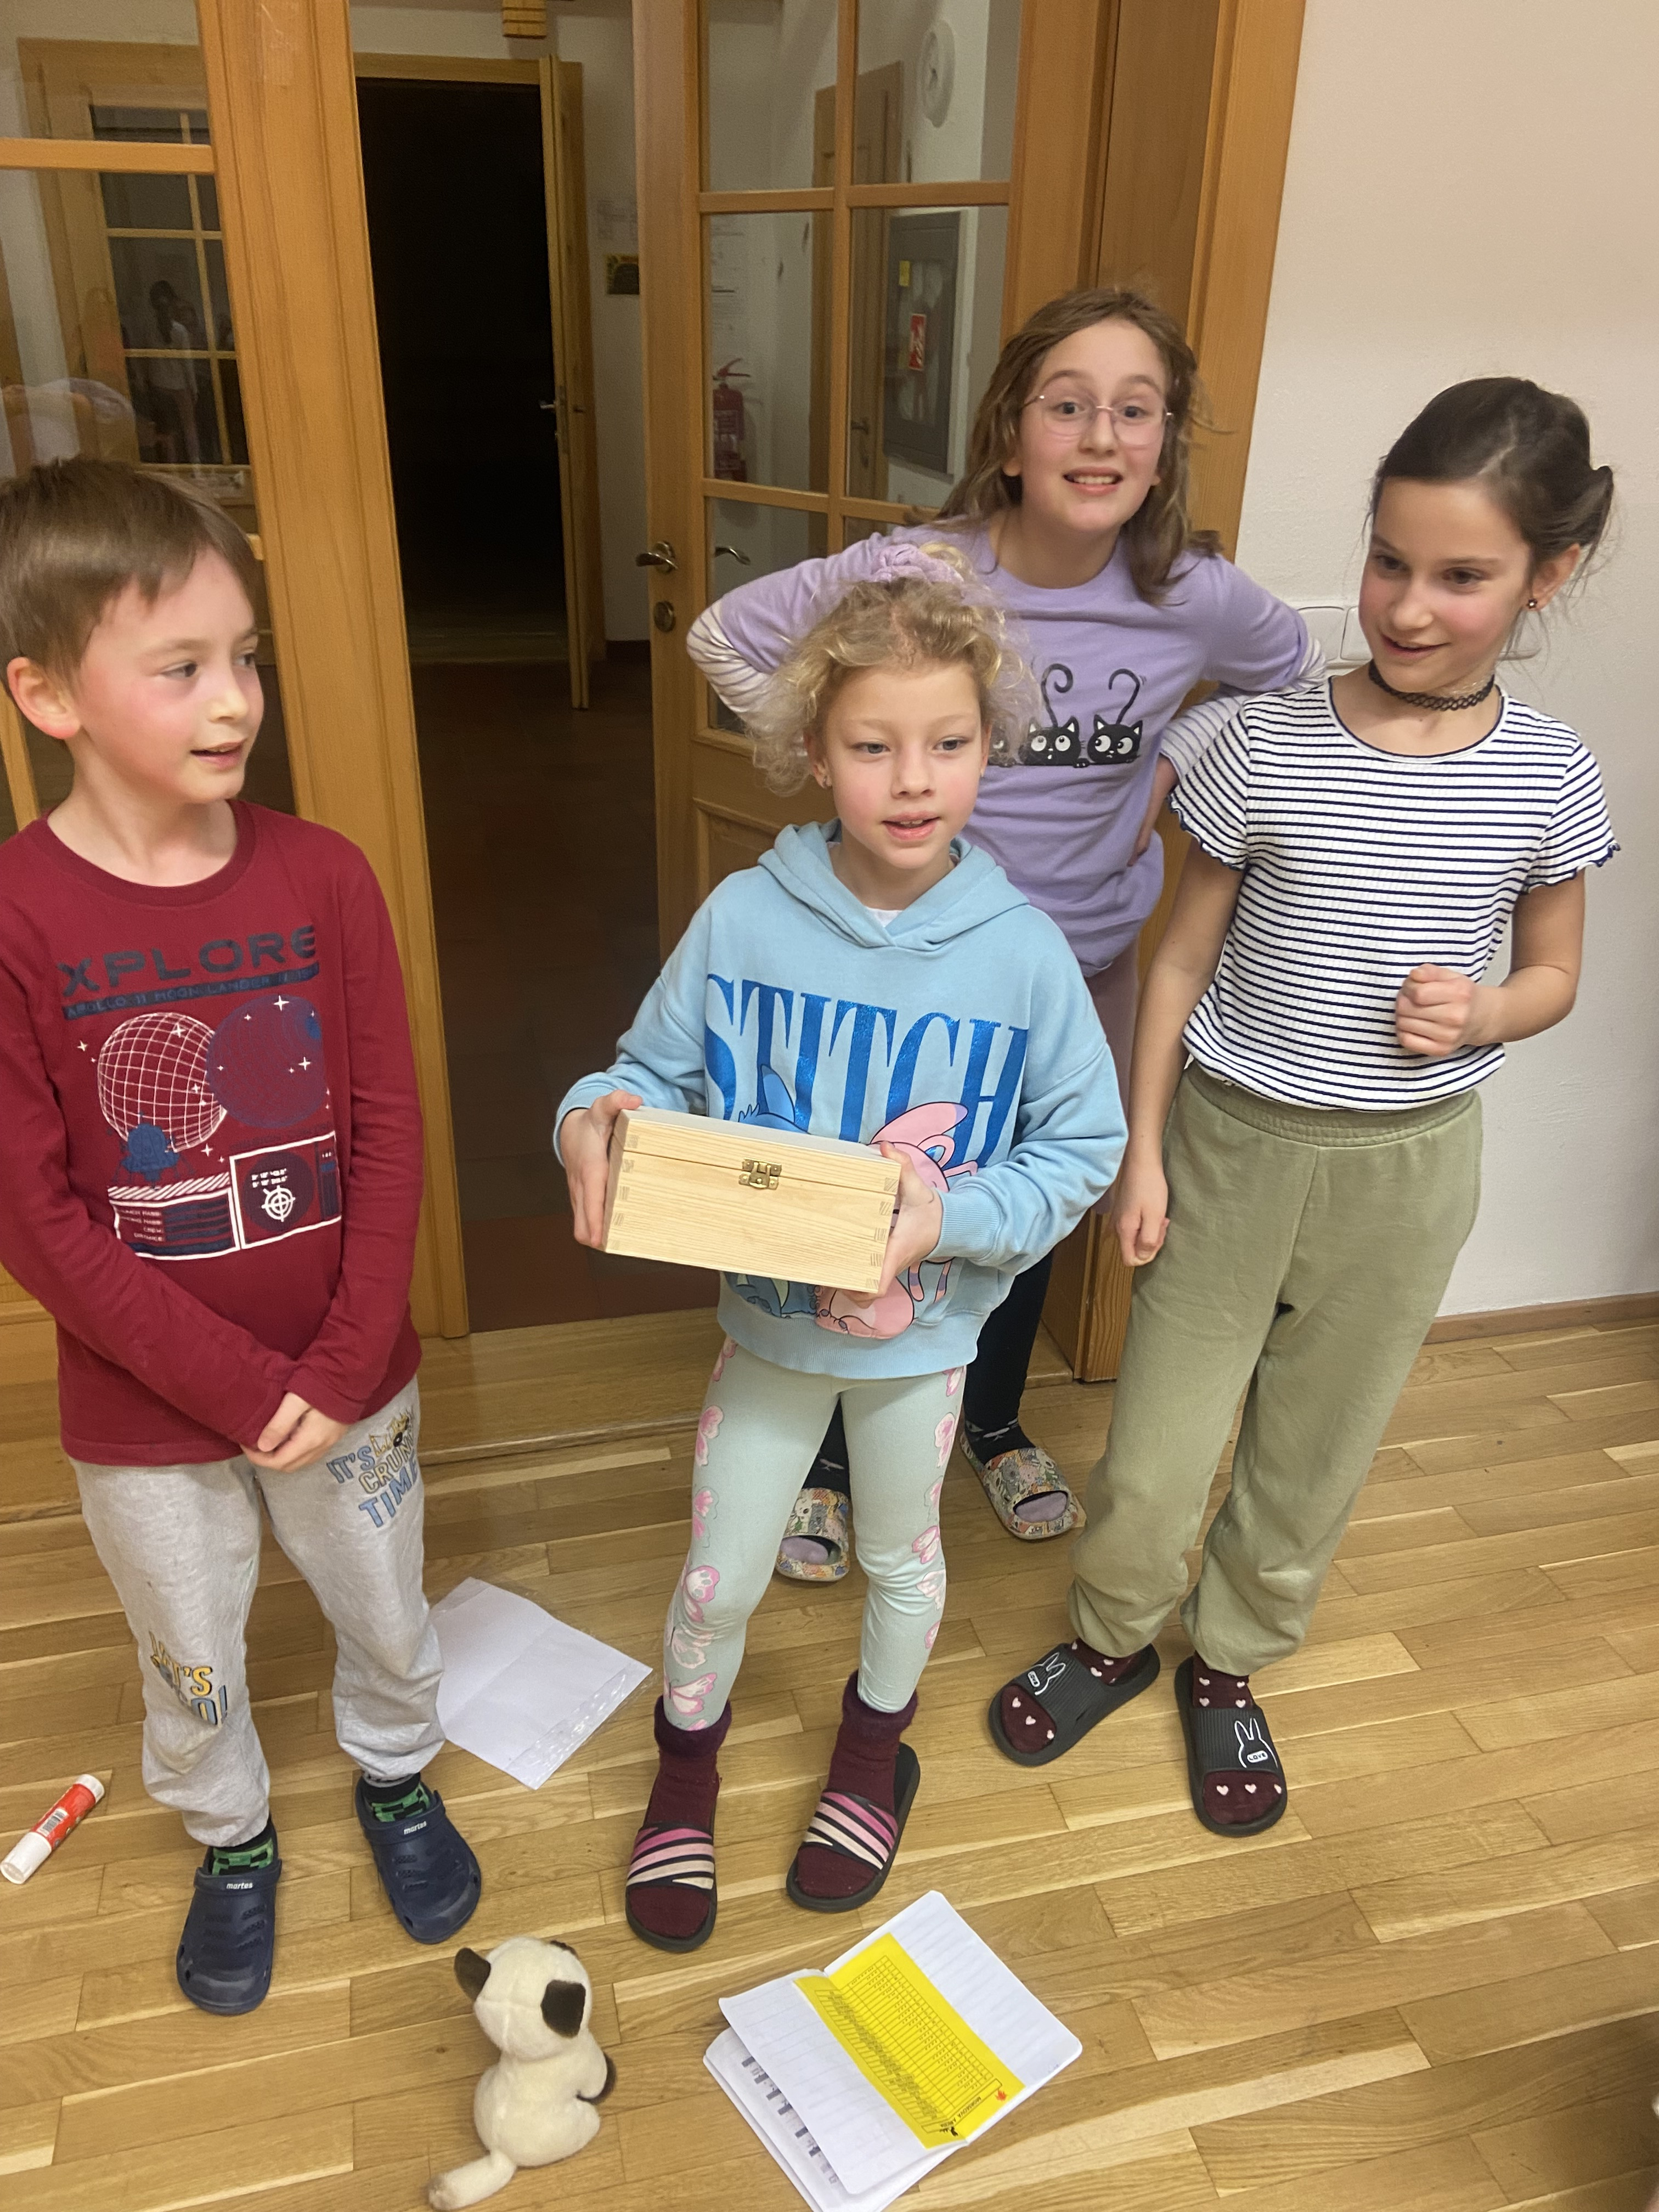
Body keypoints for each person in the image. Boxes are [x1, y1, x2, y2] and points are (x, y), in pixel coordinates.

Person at [989, 377, 1618, 1835]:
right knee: (1158, 1442)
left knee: (1318, 1441)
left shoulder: (1549, 775)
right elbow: (1178, 960)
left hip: (1409, 1169)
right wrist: (1143, 1152)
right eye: (1390, 561)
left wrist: (1490, 1011)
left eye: (1461, 576)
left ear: (1548, 575)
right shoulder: (1264, 742)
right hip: (1230, 1143)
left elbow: (1555, 975)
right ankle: (1113, 1633)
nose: (1408, 605)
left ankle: (1233, 1658)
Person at [689, 286, 1324, 1571]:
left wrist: (1178, 760)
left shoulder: (1193, 595)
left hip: (1076, 971)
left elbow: (1299, 681)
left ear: (1165, 444)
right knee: (869, 1186)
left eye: (1135, 411)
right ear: (1011, 430)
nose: (1100, 437)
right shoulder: (920, 571)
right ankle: (828, 1454)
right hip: (908, 971)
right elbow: (723, 634)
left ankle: (988, 1418)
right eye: (1067, 405)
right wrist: (838, 763)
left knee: (1021, 1207)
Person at [558, 548, 1124, 1950]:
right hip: (766, 1334)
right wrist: (589, 1119)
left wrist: (951, 1219)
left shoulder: (1025, 953)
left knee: (902, 1559)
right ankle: (685, 1768)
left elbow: (1083, 1147)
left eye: (950, 743)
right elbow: (639, 1078)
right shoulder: (744, 918)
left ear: (990, 746)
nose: (913, 780)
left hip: (922, 1347)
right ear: (815, 753)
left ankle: (874, 1754)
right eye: (874, 747)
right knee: (719, 1574)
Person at [0, 459, 479, 2012]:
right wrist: (229, 1385)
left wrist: (337, 1367)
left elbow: (390, 1128)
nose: (234, 699)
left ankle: (396, 1775)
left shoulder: (327, 876)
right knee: (189, 1647)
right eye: (182, 666)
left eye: (246, 657)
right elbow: (35, 1218)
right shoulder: (15, 916)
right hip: (145, 1410)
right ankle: (232, 1836)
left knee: (386, 1603)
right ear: (47, 695)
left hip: (352, 1381)